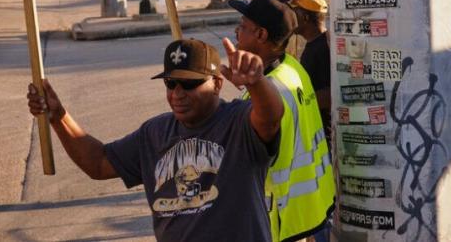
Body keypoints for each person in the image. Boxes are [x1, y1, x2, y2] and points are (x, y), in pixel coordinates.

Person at [26, 38, 284, 242]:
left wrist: (256, 82)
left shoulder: (238, 123)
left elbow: (271, 116)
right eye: (170, 83)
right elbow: (98, 163)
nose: (177, 94)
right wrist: (58, 116)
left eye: (189, 83)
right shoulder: (155, 133)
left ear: (217, 84)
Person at [228, 0, 335, 242]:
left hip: (278, 218)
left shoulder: (269, 91)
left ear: (261, 35)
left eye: (243, 27)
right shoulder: (291, 67)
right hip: (309, 206)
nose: (237, 32)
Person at [290, 0, 331, 145]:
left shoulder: (322, 49)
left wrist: (297, 101)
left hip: (323, 134)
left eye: (295, 14)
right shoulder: (315, 43)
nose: (291, 19)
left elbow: (329, 95)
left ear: (305, 18)